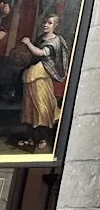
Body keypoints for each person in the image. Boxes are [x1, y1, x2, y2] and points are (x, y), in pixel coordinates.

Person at [18, 13, 69, 151]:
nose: (46, 25)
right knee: (30, 107)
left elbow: (41, 53)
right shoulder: (42, 38)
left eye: (50, 23)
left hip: (42, 74)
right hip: (34, 74)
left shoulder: (55, 41)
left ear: (55, 25)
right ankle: (31, 137)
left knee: (42, 106)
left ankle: (42, 138)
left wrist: (28, 43)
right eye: (45, 22)